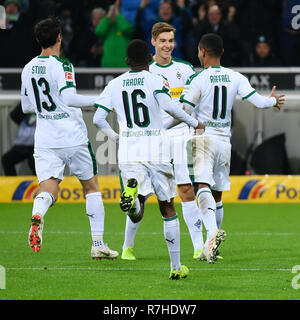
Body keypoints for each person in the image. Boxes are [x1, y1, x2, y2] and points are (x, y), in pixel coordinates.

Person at [93, 39, 205, 279]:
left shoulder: (114, 84)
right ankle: (176, 268)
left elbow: (98, 119)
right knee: (167, 207)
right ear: (148, 59)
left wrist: (116, 137)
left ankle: (132, 200)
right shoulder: (155, 80)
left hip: (129, 149)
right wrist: (195, 122)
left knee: (138, 207)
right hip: (156, 146)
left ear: (126, 61)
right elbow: (172, 109)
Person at [179, 33, 285, 263]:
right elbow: (258, 101)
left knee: (202, 186)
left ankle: (211, 234)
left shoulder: (198, 79)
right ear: (222, 52)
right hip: (224, 143)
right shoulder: (235, 76)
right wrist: (273, 101)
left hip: (204, 138)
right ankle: (211, 247)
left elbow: (185, 109)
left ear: (202, 52)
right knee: (217, 195)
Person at [21, 17, 118, 260]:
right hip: (72, 135)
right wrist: (100, 101)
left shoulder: (28, 68)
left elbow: (25, 107)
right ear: (59, 38)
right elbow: (70, 98)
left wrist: (47, 108)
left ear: (37, 40)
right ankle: (98, 244)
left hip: (45, 138)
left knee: (49, 188)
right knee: (91, 186)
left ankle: (38, 213)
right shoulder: (62, 65)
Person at [121, 22, 204, 262]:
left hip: (179, 137)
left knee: (186, 190)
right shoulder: (146, 72)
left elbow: (190, 103)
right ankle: (128, 246)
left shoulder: (186, 68)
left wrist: (192, 123)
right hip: (152, 139)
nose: (167, 45)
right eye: (163, 41)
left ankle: (199, 247)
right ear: (153, 42)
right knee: (143, 194)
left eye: (171, 41)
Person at [94, 0, 134, 67]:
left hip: (123, 65)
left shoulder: (126, 24)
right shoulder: (107, 28)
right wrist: (108, 15)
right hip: (107, 65)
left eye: (115, 12)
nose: (113, 14)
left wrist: (117, 13)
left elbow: (126, 29)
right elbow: (99, 31)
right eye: (112, 12)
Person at [1, 103, 35, 176]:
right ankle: (12, 183)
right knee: (7, 159)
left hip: (36, 144)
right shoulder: (25, 108)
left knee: (34, 161)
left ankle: (40, 184)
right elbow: (14, 115)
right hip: (22, 144)